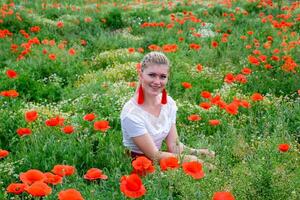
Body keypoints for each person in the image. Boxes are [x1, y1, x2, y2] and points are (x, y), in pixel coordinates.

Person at [120, 51, 215, 166]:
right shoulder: (131, 113)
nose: (157, 82)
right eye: (152, 75)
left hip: (162, 160)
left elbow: (174, 146)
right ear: (141, 75)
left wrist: (198, 152)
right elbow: (154, 155)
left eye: (162, 77)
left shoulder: (168, 104)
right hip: (139, 166)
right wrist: (195, 161)